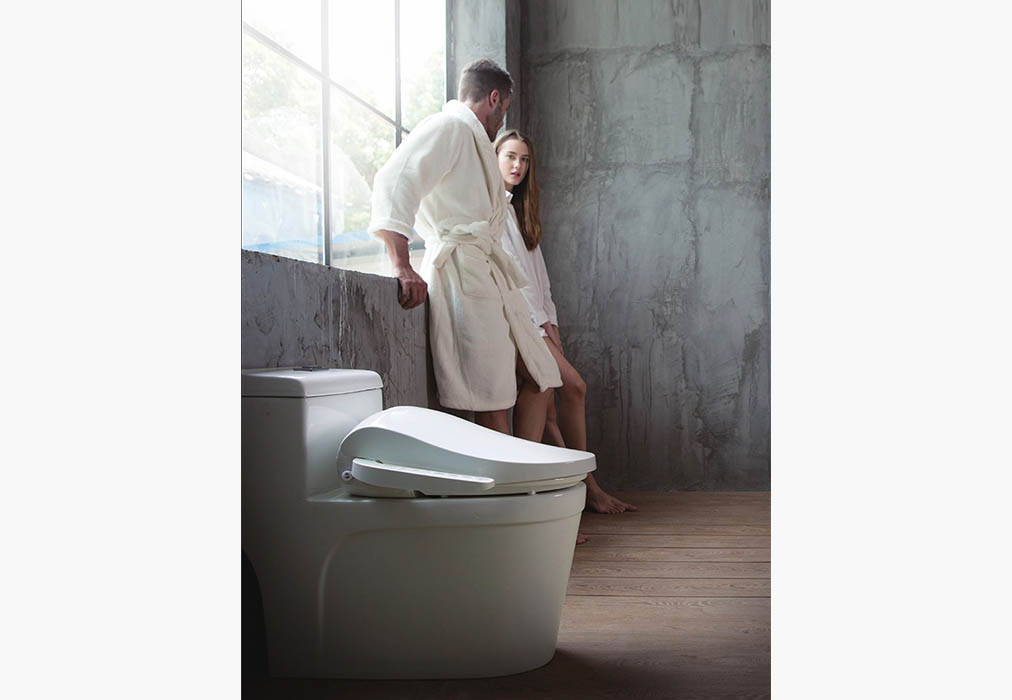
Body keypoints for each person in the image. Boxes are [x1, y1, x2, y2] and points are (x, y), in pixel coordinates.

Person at [368, 59, 561, 440]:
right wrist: (401, 265)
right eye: (504, 109)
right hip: (462, 274)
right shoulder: (451, 127)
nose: (502, 122)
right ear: (494, 98)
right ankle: (505, 476)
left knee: (541, 376)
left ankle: (521, 468)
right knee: (492, 398)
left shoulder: (474, 142)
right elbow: (394, 181)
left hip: (488, 273)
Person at [494, 129, 637, 534]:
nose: (518, 166)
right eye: (510, 157)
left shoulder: (520, 213)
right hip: (517, 321)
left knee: (551, 405)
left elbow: (540, 282)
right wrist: (539, 329)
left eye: (524, 159)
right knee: (572, 387)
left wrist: (551, 327)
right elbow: (513, 282)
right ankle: (577, 489)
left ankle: (576, 492)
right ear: (494, 158)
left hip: (538, 322)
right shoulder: (492, 210)